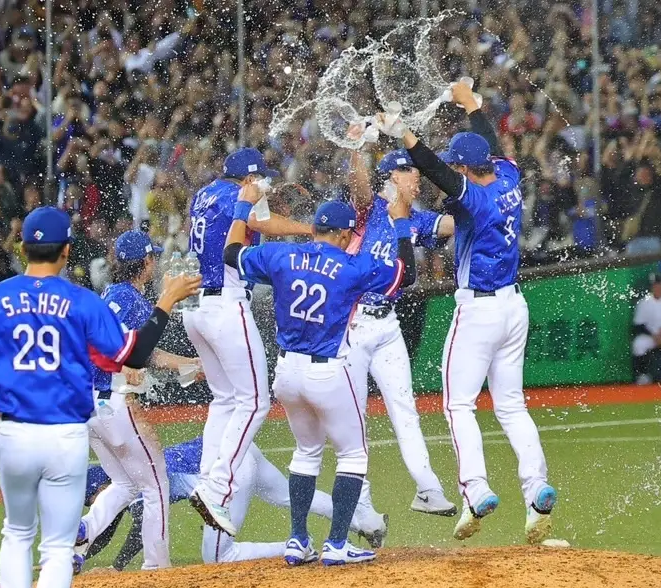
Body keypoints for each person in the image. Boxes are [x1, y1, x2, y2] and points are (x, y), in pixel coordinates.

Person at [0, 206, 200, 588]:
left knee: (16, 534)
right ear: (66, 250)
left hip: (13, 435)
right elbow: (132, 354)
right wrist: (165, 302)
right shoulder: (82, 302)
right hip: (66, 435)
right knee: (57, 548)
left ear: (23, 249)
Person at [376, 79, 556, 545]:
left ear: (465, 167)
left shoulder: (473, 197)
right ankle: (537, 487)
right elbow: (492, 147)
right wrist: (473, 106)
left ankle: (476, 489)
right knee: (512, 405)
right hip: (515, 307)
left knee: (459, 404)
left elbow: (436, 170)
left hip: (478, 310)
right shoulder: (509, 178)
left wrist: (406, 135)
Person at [226, 190, 415, 566]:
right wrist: (402, 222)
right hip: (327, 370)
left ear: (314, 229)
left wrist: (242, 209)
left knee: (306, 452)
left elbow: (231, 255)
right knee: (353, 455)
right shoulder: (352, 266)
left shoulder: (281, 255)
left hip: (286, 372)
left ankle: (297, 539)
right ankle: (338, 544)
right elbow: (404, 274)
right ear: (344, 235)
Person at [182, 147, 311, 537]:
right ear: (249, 178)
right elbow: (264, 225)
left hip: (197, 308)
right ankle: (216, 485)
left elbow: (260, 218)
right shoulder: (235, 197)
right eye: (261, 178)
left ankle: (206, 478)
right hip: (226, 303)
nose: (264, 183)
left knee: (225, 400)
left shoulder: (205, 193)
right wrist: (311, 232)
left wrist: (274, 204)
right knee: (255, 402)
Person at [74, 230, 203, 571]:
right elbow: (139, 356)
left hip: (86, 403)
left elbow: (142, 351)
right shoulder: (132, 300)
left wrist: (187, 364)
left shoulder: (111, 294)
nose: (155, 262)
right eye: (153, 258)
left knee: (125, 483)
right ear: (146, 263)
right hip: (113, 401)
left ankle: (85, 529)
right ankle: (156, 567)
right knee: (156, 485)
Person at [77, 437, 388, 570]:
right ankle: (366, 520)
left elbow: (129, 531)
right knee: (287, 497)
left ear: (100, 486)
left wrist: (116, 568)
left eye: (92, 497)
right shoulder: (136, 473)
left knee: (219, 558)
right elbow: (110, 525)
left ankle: (295, 546)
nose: (95, 501)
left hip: (231, 470)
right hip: (242, 450)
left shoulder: (135, 482)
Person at [345, 146, 456, 517]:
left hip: (387, 324)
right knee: (353, 417)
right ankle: (360, 502)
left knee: (405, 410)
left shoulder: (415, 219)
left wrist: (475, 196)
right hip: (354, 324)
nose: (418, 179)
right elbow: (359, 188)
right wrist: (356, 149)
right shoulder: (370, 209)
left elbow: (452, 225)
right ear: (394, 176)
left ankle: (427, 487)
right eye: (412, 173)